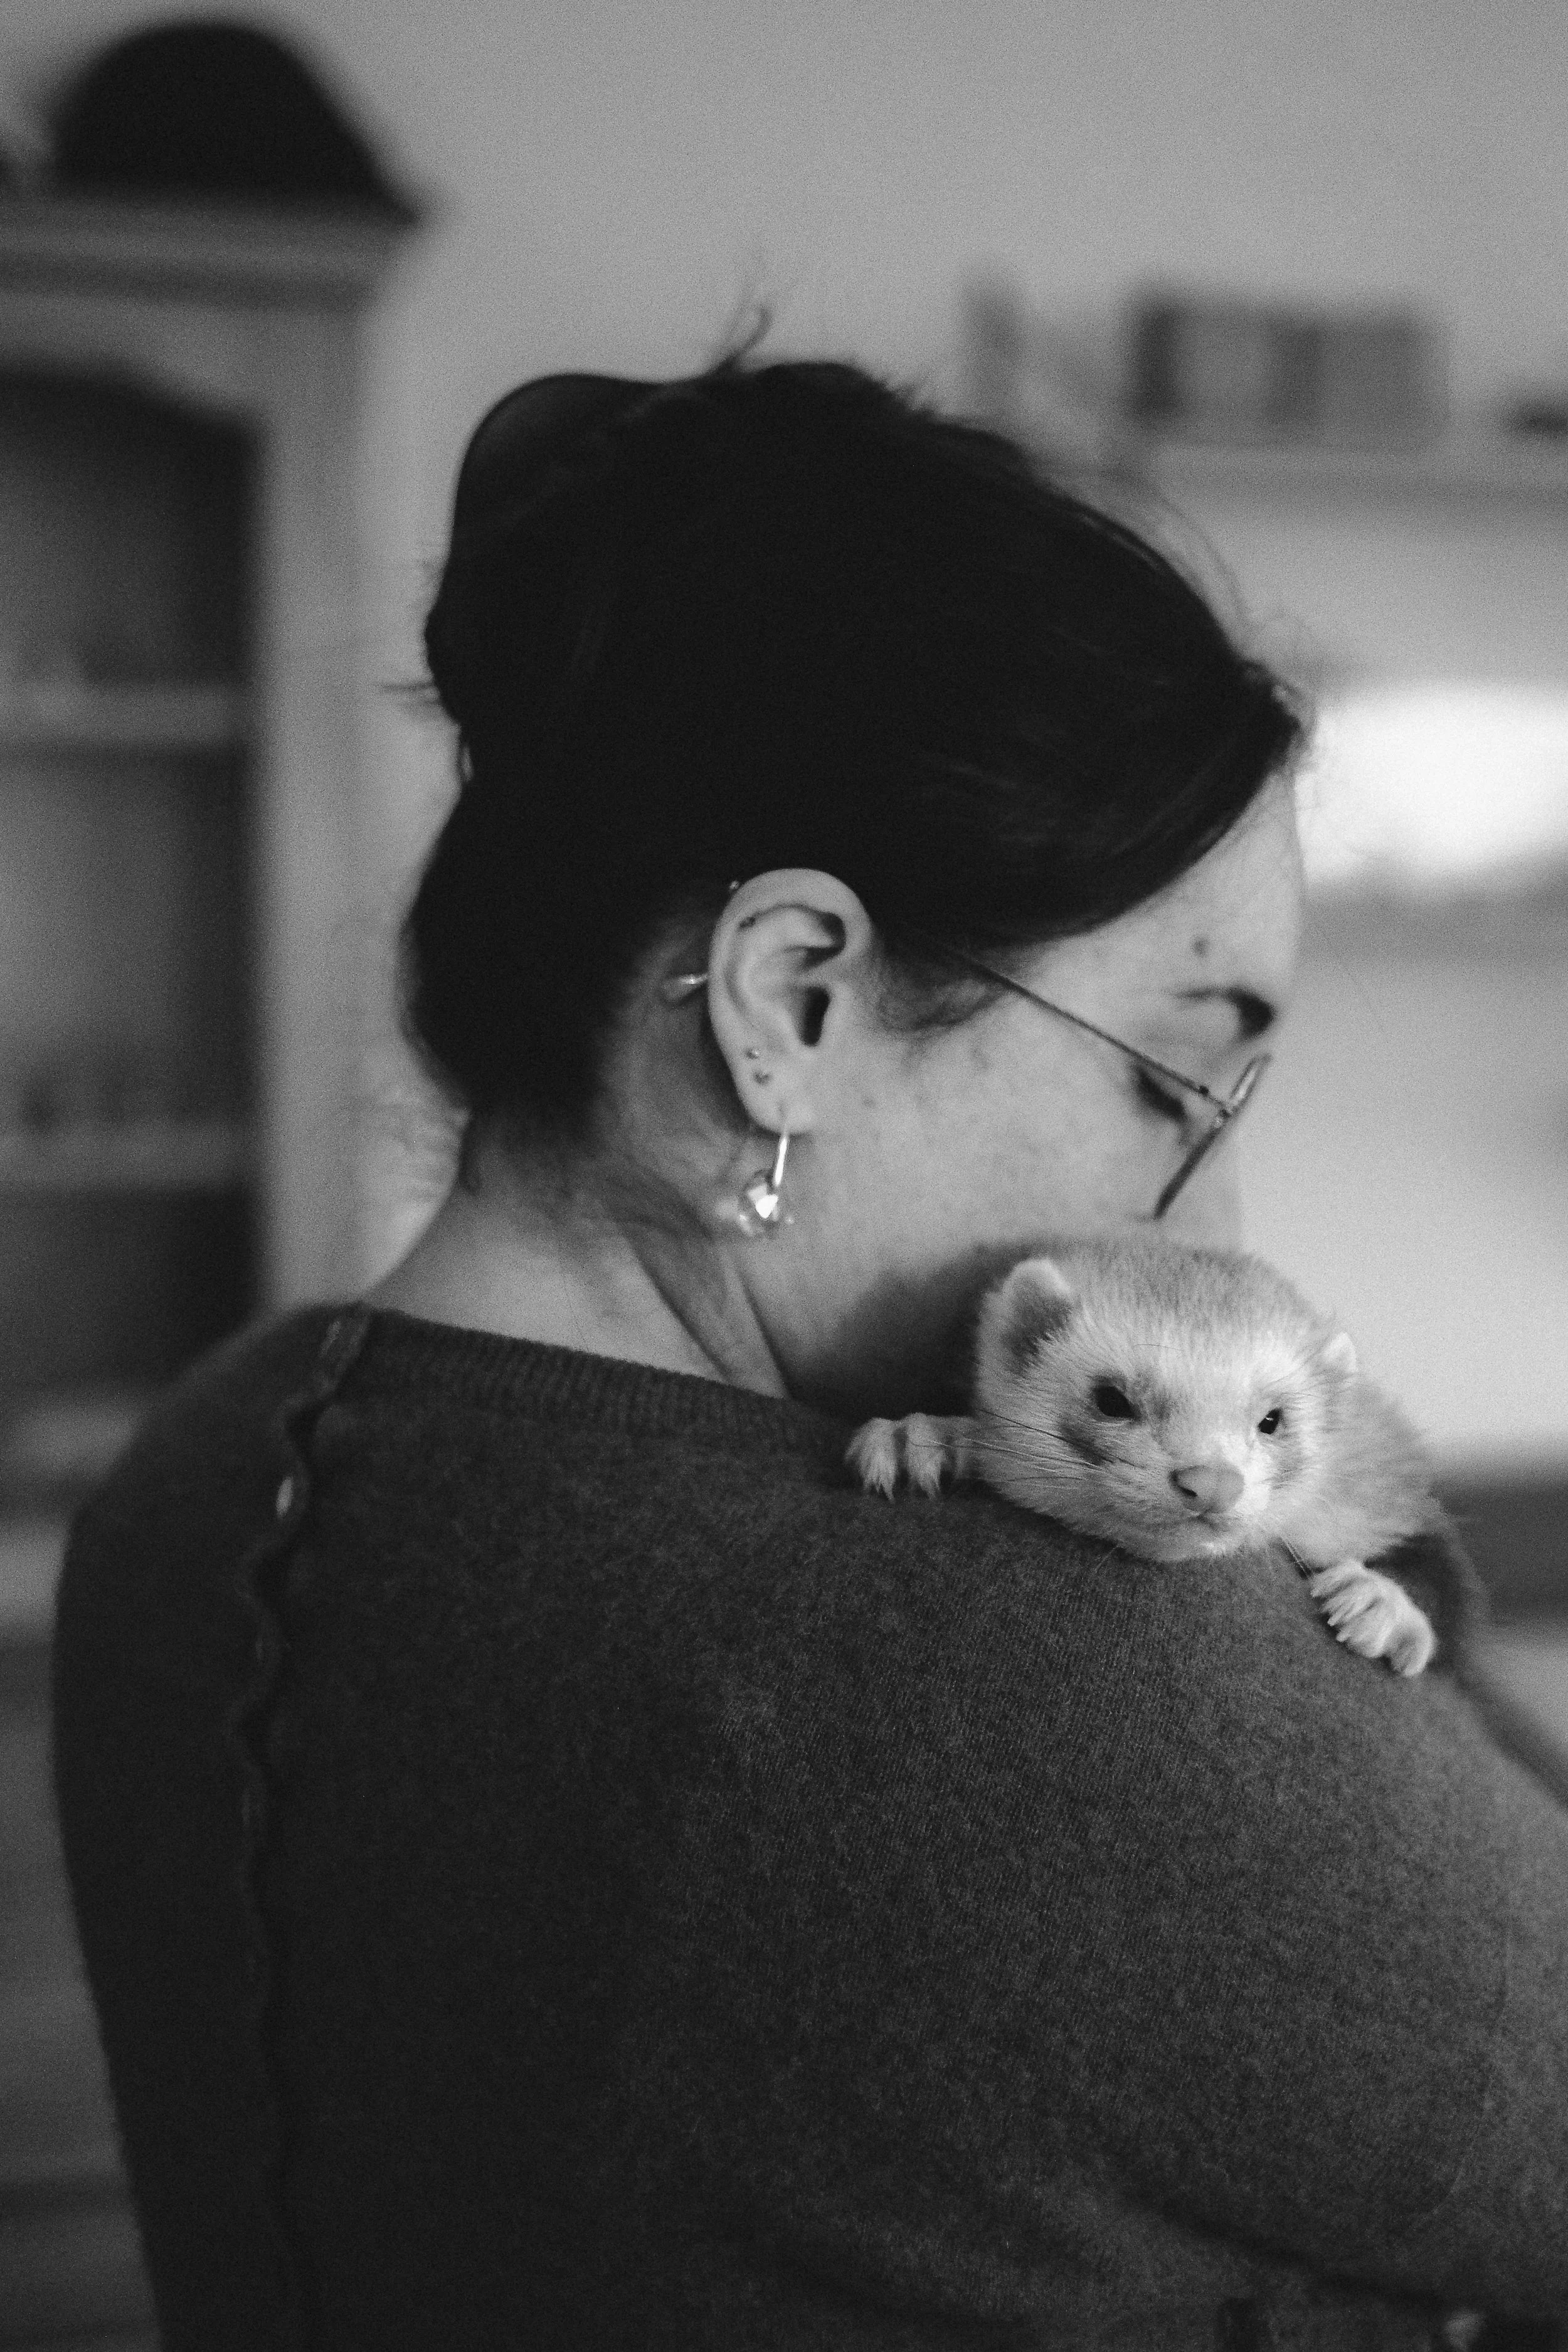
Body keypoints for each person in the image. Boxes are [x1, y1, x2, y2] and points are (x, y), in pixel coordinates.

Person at [53, 353, 1568, 2351]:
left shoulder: (208, 1464)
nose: (1205, 1228)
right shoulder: (1054, 1678)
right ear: (796, 1005)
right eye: (1174, 1079)